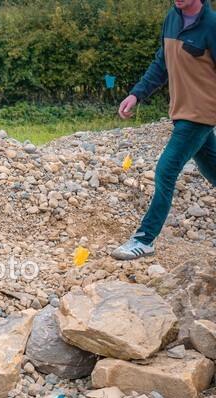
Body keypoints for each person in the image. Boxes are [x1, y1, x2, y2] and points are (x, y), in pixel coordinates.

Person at [112, 0, 216, 260]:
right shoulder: (173, 17)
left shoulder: (212, 26)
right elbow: (162, 64)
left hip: (201, 113)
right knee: (211, 168)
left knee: (166, 169)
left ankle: (145, 238)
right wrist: (136, 94)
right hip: (181, 111)